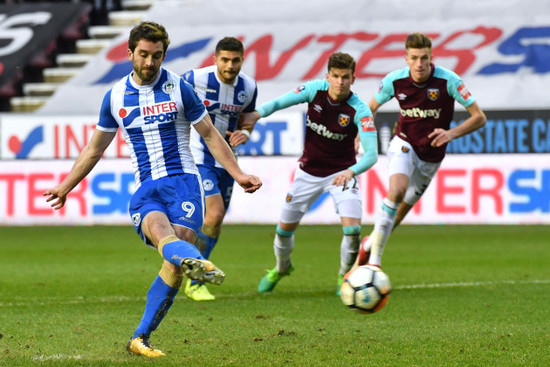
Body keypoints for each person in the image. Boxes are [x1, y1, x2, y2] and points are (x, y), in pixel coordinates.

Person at [43, 22, 262, 358]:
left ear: (164, 55)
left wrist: (238, 172)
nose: (149, 63)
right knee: (164, 237)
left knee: (174, 257)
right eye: (143, 55)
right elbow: (94, 149)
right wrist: (65, 186)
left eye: (156, 56)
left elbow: (209, 135)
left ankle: (139, 337)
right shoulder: (115, 96)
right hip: (147, 187)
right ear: (129, 52)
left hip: (185, 185)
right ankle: (196, 262)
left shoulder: (180, 88)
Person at [241, 52, 379, 295]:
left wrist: (351, 171)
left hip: (341, 175)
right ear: (328, 76)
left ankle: (345, 275)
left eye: (345, 77)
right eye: (335, 76)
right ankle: (282, 268)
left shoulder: (360, 110)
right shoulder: (315, 90)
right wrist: (257, 114)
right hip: (307, 173)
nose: (340, 82)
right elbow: (279, 102)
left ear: (353, 79)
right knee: (283, 231)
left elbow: (371, 155)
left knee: (353, 230)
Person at [356, 32, 486, 268]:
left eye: (424, 58)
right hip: (403, 142)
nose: (419, 64)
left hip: (432, 157)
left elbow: (479, 117)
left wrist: (451, 133)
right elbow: (370, 108)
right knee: (396, 192)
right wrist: (359, 134)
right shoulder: (394, 81)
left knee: (397, 215)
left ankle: (368, 246)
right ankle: (374, 264)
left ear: (431, 57)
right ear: (406, 58)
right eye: (414, 58)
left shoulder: (449, 81)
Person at [181, 37, 258, 301]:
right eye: (224, 60)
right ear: (215, 59)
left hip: (228, 162)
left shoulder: (248, 87)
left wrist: (245, 133)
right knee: (214, 214)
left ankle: (191, 269)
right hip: (198, 156)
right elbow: (170, 98)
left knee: (215, 223)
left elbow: (248, 119)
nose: (230, 65)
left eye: (235, 60)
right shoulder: (193, 79)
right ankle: (195, 279)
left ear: (242, 60)